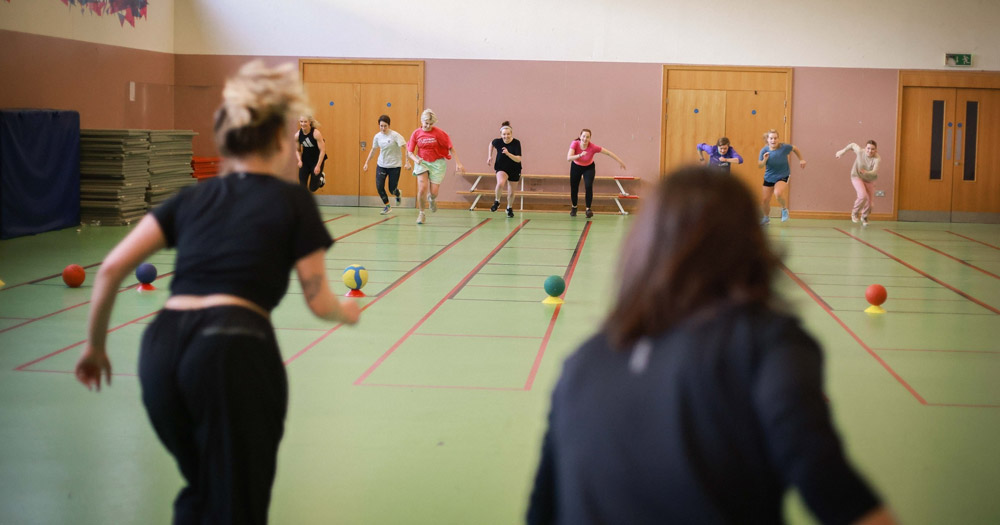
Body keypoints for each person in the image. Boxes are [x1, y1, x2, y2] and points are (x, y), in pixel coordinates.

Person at [74, 61, 361, 524]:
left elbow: (109, 269)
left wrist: (95, 349)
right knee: (238, 502)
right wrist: (346, 313)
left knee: (203, 489)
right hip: (232, 348)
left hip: (161, 351)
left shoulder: (190, 198)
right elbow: (318, 300)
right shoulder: (293, 201)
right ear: (281, 145)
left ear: (224, 142)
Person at [527, 165, 896, 525]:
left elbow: (541, 510)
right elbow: (835, 492)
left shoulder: (584, 360)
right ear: (749, 244)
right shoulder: (768, 344)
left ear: (642, 246)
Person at [406, 109, 464, 225]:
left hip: (437, 163)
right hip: (422, 162)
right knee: (422, 188)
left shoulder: (438, 133)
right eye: (426, 123)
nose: (428, 126)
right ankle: (421, 213)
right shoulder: (416, 133)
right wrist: (415, 160)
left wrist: (458, 163)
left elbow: (450, 147)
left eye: (431, 124)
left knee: (434, 192)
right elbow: (410, 151)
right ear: (421, 121)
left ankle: (432, 199)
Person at [566, 129, 626, 218]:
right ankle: (574, 207)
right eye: (583, 136)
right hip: (576, 167)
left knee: (588, 186)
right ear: (580, 136)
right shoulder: (575, 143)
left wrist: (620, 161)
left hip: (588, 167)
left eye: (587, 137)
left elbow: (608, 153)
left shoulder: (593, 147)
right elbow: (568, 158)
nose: (585, 139)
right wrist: (580, 155)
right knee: (574, 187)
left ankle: (588, 209)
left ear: (590, 138)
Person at [363, 114, 411, 215]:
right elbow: (373, 150)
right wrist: (366, 162)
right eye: (381, 126)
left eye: (385, 126)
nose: (383, 128)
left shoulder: (395, 136)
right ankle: (387, 206)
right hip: (382, 165)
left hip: (394, 166)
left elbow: (406, 147)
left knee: (391, 189)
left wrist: (407, 161)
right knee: (379, 187)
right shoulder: (377, 137)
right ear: (379, 125)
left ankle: (397, 193)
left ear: (389, 125)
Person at [758, 129, 806, 224]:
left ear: (778, 139)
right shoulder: (764, 150)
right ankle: (766, 218)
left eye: (775, 138)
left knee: (778, 193)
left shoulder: (784, 148)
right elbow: (760, 165)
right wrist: (764, 159)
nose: (773, 140)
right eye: (771, 138)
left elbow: (795, 148)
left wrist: (801, 159)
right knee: (764, 201)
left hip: (783, 175)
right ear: (767, 139)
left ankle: (784, 210)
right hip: (769, 177)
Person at [836, 140, 881, 226]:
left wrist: (866, 172)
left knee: (870, 204)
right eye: (868, 148)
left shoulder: (877, 158)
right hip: (857, 176)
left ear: (876, 150)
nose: (870, 151)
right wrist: (842, 152)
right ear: (865, 148)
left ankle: (864, 216)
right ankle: (855, 213)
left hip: (869, 179)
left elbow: (875, 171)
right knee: (862, 195)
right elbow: (852, 145)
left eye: (872, 149)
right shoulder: (860, 152)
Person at [486, 120, 523, 218]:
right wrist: (489, 156)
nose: (506, 136)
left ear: (511, 134)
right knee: (500, 183)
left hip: (514, 168)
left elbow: (518, 159)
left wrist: (508, 153)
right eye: (504, 134)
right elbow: (491, 144)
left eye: (508, 134)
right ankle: (497, 201)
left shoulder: (516, 143)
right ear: (501, 134)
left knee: (511, 193)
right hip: (501, 167)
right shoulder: (498, 141)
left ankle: (509, 208)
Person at [295, 114, 327, 192]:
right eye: (301, 122)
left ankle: (321, 178)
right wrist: (299, 160)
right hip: (305, 161)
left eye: (305, 122)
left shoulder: (316, 133)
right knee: (302, 186)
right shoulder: (297, 135)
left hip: (317, 160)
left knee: (312, 188)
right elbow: (298, 150)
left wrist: (318, 166)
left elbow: (322, 150)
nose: (303, 124)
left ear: (309, 122)